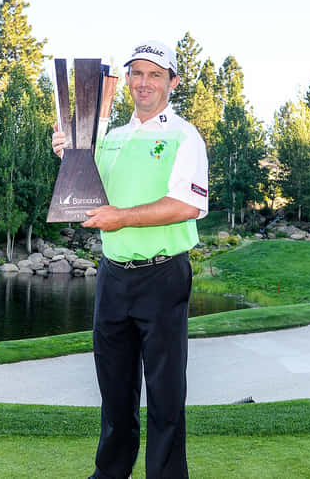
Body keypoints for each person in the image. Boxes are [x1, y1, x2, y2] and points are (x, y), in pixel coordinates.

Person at [52, 40, 209, 478]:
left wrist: (123, 218)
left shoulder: (184, 136)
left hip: (162, 276)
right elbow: (84, 185)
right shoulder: (112, 138)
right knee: (115, 394)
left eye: (155, 74)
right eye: (137, 73)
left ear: (172, 82)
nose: (144, 82)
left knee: (164, 396)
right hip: (113, 278)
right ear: (127, 81)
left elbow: (185, 206)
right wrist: (70, 150)